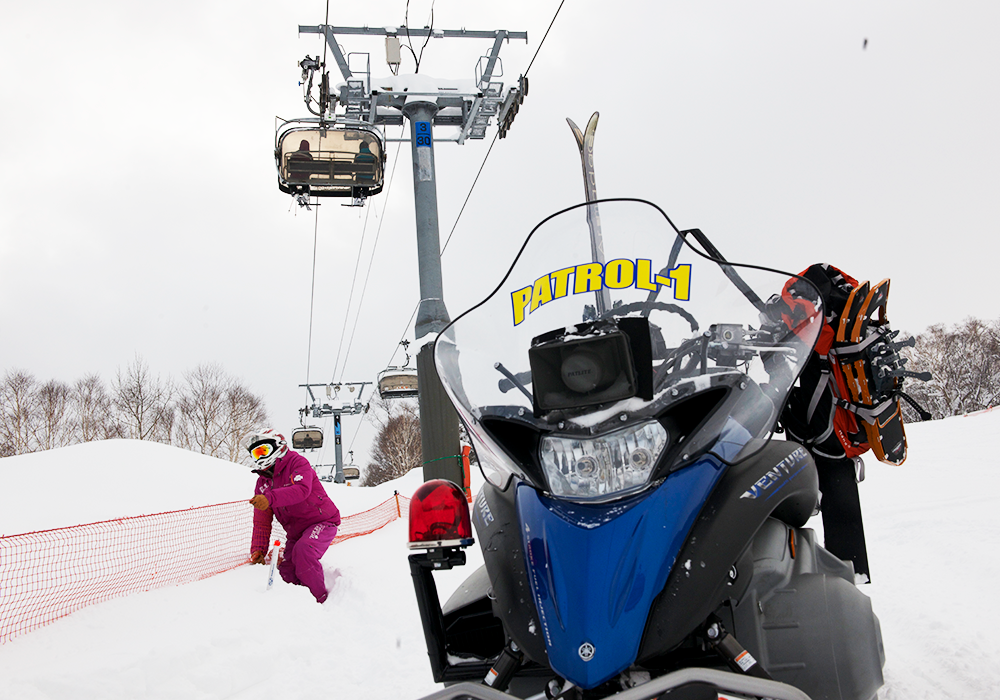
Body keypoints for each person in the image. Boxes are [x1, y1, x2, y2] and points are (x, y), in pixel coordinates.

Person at [246, 428, 341, 603]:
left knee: (303, 552)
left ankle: (320, 600)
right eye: (256, 454)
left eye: (263, 451)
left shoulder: (297, 463)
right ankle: (296, 605)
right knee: (287, 570)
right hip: (296, 533)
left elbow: (301, 490)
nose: (260, 457)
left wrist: (270, 498)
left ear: (277, 446)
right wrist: (258, 550)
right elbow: (262, 522)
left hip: (322, 522)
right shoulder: (262, 483)